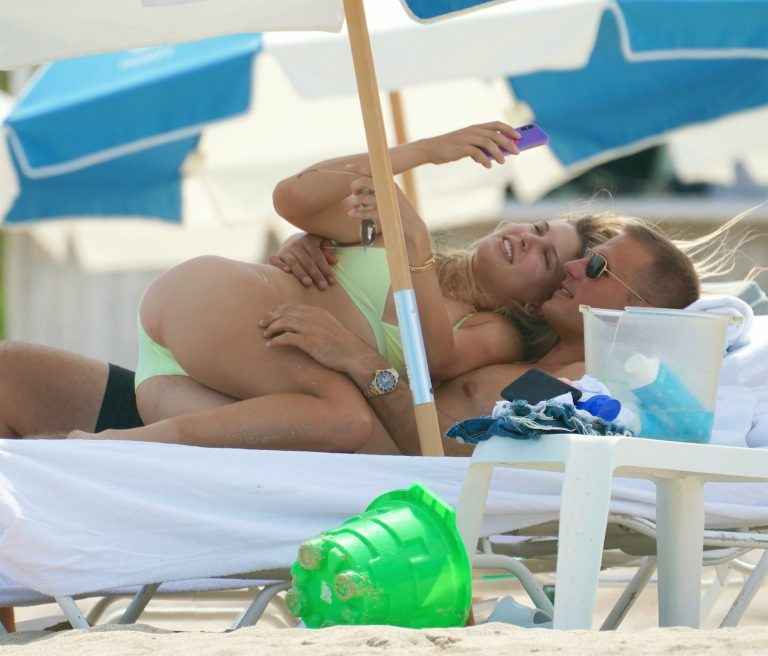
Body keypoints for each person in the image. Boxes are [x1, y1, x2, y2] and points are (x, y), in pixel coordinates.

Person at [60, 122, 633, 452]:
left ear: (536, 301)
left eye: (544, 256)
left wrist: (414, 242)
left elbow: (433, 358)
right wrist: (422, 153)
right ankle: (101, 449)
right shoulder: (392, 239)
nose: (525, 239)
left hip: (181, 377)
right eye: (536, 229)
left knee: (288, 442)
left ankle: (91, 453)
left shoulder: (493, 328)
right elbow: (293, 196)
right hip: (216, 304)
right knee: (346, 420)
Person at [260, 224, 701, 454]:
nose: (572, 268)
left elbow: (450, 450)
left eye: (596, 267)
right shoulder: (519, 345)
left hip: (349, 447)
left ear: (637, 314)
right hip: (314, 412)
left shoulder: (577, 391)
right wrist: (316, 245)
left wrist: (360, 360)